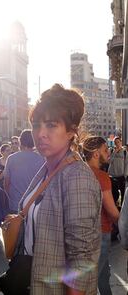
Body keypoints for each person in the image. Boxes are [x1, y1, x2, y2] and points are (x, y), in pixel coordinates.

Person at [17, 84, 101, 294]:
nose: (41, 134)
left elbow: (81, 258)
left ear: (71, 131)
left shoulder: (76, 175)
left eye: (51, 125)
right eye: (36, 125)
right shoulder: (47, 168)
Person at [82, 136, 119, 294]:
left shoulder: (79, 171)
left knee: (103, 275)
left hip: (83, 232)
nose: (108, 153)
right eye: (105, 150)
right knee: (92, 278)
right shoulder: (102, 177)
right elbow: (112, 211)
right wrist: (123, 226)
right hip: (101, 233)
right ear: (96, 154)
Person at [3, 129, 44, 213]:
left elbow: (6, 183)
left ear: (20, 141)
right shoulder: (42, 159)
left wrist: (9, 198)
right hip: (34, 204)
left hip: (15, 204)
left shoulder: (11, 158)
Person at [108, 136, 128, 207]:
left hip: (121, 176)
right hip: (112, 176)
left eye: (118, 142)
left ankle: (122, 208)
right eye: (115, 143)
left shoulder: (125, 152)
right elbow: (109, 161)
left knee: (123, 193)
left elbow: (126, 164)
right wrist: (114, 152)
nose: (117, 144)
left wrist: (125, 175)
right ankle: (114, 207)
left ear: (121, 142)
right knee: (114, 194)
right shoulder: (111, 151)